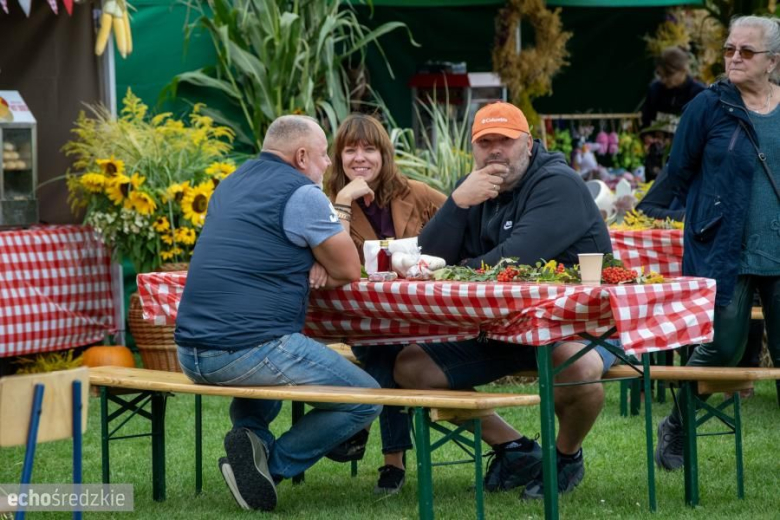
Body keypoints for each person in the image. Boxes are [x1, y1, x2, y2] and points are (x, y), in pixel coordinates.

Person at [393, 101, 617, 499]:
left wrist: (450, 269)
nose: (495, 150)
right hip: (504, 327)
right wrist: (458, 202)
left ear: (528, 144)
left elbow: (512, 260)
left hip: (573, 325)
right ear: (474, 149)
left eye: (505, 140)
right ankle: (516, 448)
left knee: (577, 366)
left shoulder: (557, 183)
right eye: (485, 142)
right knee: (411, 367)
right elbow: (426, 256)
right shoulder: (475, 188)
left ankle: (565, 457)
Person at [173, 115, 382, 511]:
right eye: (323, 158)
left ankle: (250, 436)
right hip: (245, 349)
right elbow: (349, 268)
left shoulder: (231, 182)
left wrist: (312, 255)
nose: (327, 167)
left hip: (190, 351)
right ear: (301, 156)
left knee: (276, 363)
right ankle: (272, 466)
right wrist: (319, 254)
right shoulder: (302, 194)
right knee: (366, 397)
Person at [655, 15, 780, 472]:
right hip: (724, 247)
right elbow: (678, 172)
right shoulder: (707, 106)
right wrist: (659, 215)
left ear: (773, 62)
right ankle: (678, 423)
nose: (734, 58)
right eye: (730, 49)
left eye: (746, 52)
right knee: (722, 349)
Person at [324, 113, 446, 494]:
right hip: (361, 319)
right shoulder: (327, 200)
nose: (360, 157)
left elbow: (462, 224)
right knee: (384, 353)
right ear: (339, 156)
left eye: (369, 148)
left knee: (389, 355)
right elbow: (334, 255)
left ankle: (358, 429)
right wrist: (344, 199)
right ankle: (391, 461)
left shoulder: (416, 193)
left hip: (416, 317)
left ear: (384, 154)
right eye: (350, 149)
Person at [641, 46, 706, 181]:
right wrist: (647, 136)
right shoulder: (655, 89)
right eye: (660, 75)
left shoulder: (699, 93)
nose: (664, 80)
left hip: (686, 161)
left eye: (669, 75)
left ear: (683, 70)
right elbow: (646, 119)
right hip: (656, 159)